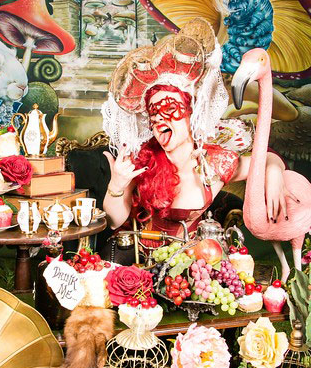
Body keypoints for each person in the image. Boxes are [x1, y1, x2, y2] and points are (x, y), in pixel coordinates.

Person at [102, 18, 287, 238]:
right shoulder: (143, 162)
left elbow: (265, 160)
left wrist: (274, 174)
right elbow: (113, 222)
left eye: (170, 108)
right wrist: (116, 185)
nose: (160, 118)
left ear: (191, 114)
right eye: (153, 112)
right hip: (143, 255)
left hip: (197, 255)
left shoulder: (215, 162)